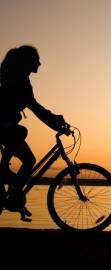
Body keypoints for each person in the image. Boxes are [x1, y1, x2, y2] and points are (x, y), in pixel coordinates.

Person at [0, 45, 66, 216]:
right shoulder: (19, 83)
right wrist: (55, 123)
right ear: (28, 62)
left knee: (29, 159)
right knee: (21, 133)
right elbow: (35, 108)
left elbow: (35, 107)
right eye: (36, 60)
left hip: (6, 126)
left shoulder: (20, 80)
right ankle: (6, 177)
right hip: (4, 126)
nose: (40, 63)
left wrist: (54, 120)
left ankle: (14, 195)